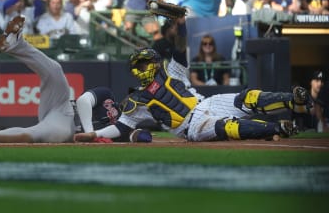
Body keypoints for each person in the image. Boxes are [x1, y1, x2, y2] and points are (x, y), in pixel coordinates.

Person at [75, 45, 312, 143]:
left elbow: (180, 51)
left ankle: (294, 100)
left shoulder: (171, 70)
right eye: (145, 64)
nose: (149, 66)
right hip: (191, 126)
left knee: (247, 97)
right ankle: (278, 128)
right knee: (227, 126)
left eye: (149, 62)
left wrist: (179, 22)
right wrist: (94, 133)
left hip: (207, 102)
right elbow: (122, 128)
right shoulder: (136, 100)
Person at [0, 15, 75, 143]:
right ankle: (16, 44)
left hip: (66, 126)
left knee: (33, 135)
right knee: (55, 71)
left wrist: (93, 134)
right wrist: (91, 130)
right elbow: (89, 98)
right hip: (64, 106)